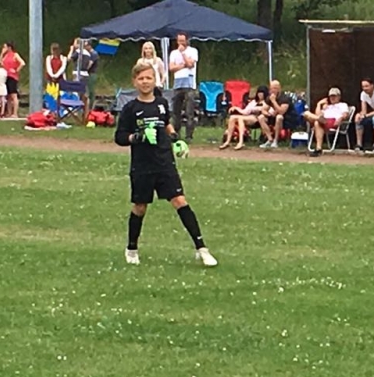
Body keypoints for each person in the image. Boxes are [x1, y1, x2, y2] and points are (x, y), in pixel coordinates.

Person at [114, 62, 217, 268]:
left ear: (155, 80)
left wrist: (175, 139)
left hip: (164, 162)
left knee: (180, 201)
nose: (145, 82)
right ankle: (132, 248)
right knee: (140, 207)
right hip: (142, 165)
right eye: (141, 78)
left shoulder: (161, 103)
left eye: (149, 78)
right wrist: (138, 137)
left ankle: (202, 248)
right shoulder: (130, 109)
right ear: (135, 82)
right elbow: (120, 137)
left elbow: (166, 123)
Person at [168, 32, 198, 142]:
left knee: (189, 111)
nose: (180, 43)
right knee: (176, 111)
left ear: (187, 41)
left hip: (189, 85)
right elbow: (171, 68)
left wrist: (183, 54)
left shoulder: (193, 51)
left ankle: (189, 136)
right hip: (177, 84)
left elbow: (190, 64)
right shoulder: (173, 53)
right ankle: (176, 134)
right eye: (179, 40)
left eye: (182, 41)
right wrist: (182, 65)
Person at [304, 87, 350, 157]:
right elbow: (318, 114)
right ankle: (318, 149)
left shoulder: (343, 105)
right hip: (323, 121)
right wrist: (319, 104)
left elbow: (345, 114)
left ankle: (318, 148)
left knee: (316, 121)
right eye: (331, 96)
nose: (332, 98)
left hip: (333, 121)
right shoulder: (327, 106)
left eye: (334, 96)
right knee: (307, 114)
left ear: (339, 97)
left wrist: (341, 118)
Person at [219, 85, 268, 150]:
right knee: (232, 117)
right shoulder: (254, 102)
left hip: (258, 118)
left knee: (240, 119)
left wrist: (254, 109)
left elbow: (263, 109)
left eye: (262, 93)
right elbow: (245, 112)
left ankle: (241, 141)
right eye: (259, 93)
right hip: (249, 116)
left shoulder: (267, 102)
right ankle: (228, 141)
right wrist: (236, 108)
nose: (260, 95)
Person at [68, 39, 99, 109]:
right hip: (86, 74)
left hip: (91, 74)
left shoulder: (93, 54)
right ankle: (83, 107)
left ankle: (89, 107)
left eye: (86, 45)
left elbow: (88, 65)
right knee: (83, 91)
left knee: (89, 91)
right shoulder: (87, 53)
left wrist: (82, 69)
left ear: (89, 46)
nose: (84, 47)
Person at [0, 41, 26, 118]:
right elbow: (0, 62)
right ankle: (9, 112)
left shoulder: (15, 55)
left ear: (9, 47)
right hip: (6, 76)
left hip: (12, 76)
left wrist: (16, 70)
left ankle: (15, 113)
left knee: (13, 95)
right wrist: (2, 53)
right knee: (8, 96)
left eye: (5, 47)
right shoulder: (5, 56)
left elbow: (22, 63)